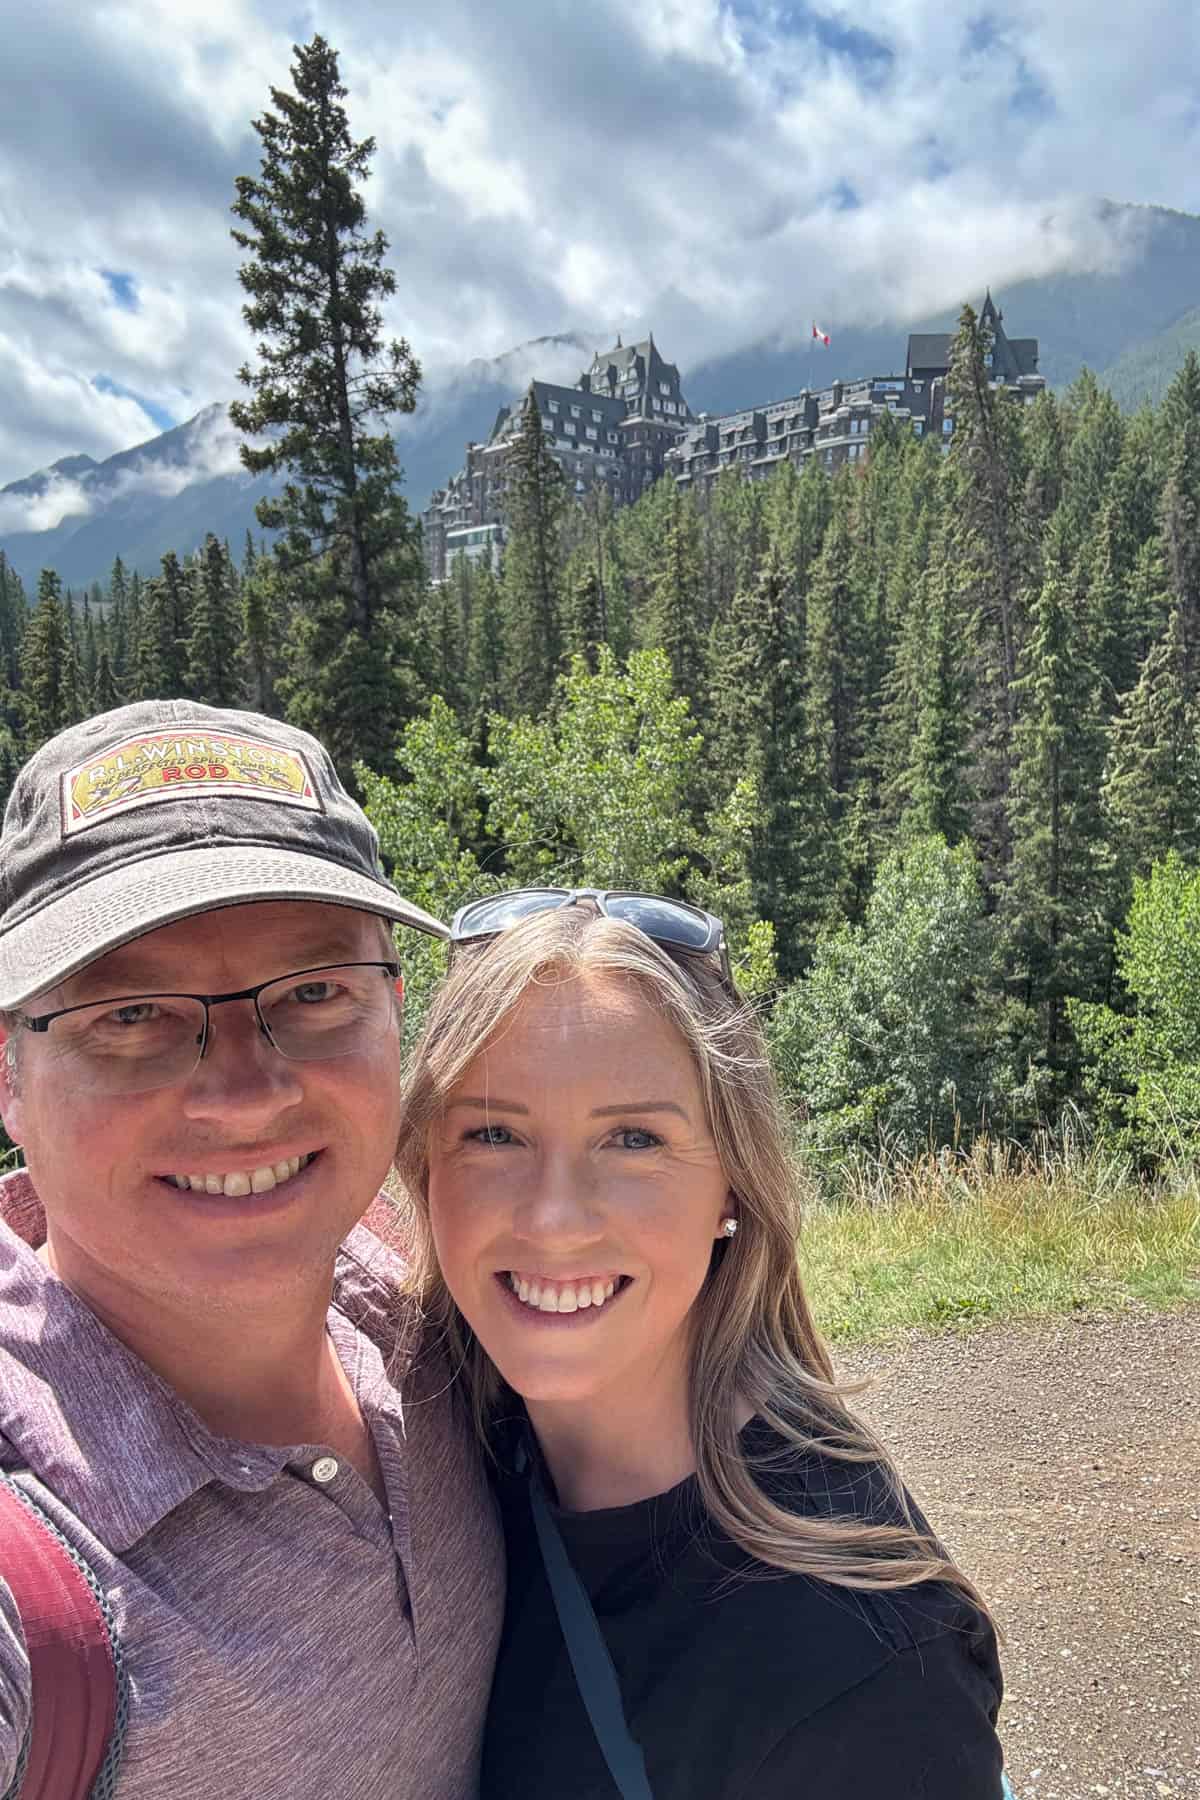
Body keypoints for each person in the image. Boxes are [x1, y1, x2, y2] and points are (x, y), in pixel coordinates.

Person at [395, 890, 1008, 1800]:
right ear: (426, 1166)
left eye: (633, 1139)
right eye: (493, 1133)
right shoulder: (445, 1439)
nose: (554, 1218)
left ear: (732, 1182)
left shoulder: (857, 1664)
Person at [0, 701, 503, 1799]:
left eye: (315, 992)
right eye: (131, 1015)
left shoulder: (442, 1317)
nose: (245, 1093)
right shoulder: (29, 1551)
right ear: (9, 1079)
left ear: (395, 1017)